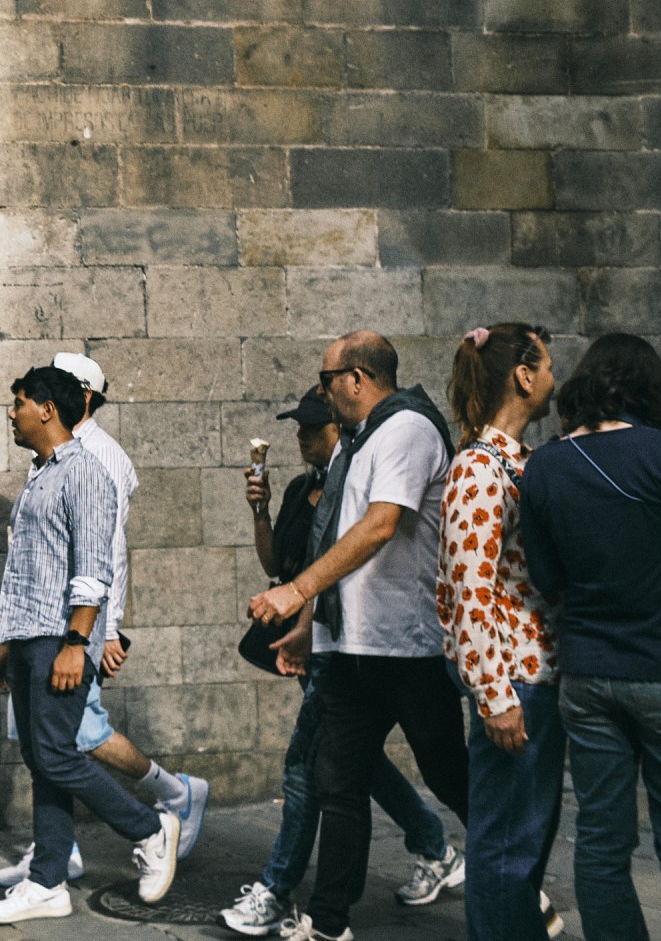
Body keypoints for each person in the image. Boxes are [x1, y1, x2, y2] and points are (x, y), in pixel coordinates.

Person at [249, 331, 467, 941]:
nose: (322, 391)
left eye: (327, 380)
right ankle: (328, 923)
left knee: (452, 779)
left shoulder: (407, 429)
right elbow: (335, 539)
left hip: (408, 648)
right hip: (350, 649)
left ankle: (521, 886)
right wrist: (309, 626)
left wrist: (294, 591)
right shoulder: (358, 441)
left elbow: (378, 527)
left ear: (358, 377)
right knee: (336, 782)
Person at [0, 352, 209, 889]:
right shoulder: (44, 472)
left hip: (61, 634)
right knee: (42, 756)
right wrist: (5, 640)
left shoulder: (90, 467)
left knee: (56, 754)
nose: (10, 413)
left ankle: (150, 827)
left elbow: (97, 563)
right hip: (31, 632)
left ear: (48, 409)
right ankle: (48, 878)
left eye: (18, 404)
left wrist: (83, 638)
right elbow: (27, 566)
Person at [519, 333, 661, 941]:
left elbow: (545, 577)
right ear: (649, 387)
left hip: (588, 674)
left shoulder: (543, 465)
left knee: (601, 837)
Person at [438, 324, 565, 941]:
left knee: (528, 841)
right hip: (513, 680)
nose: (552, 380)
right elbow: (468, 593)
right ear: (523, 375)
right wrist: (495, 695)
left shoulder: (516, 462)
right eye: (546, 367)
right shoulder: (478, 469)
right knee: (504, 846)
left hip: (534, 674)